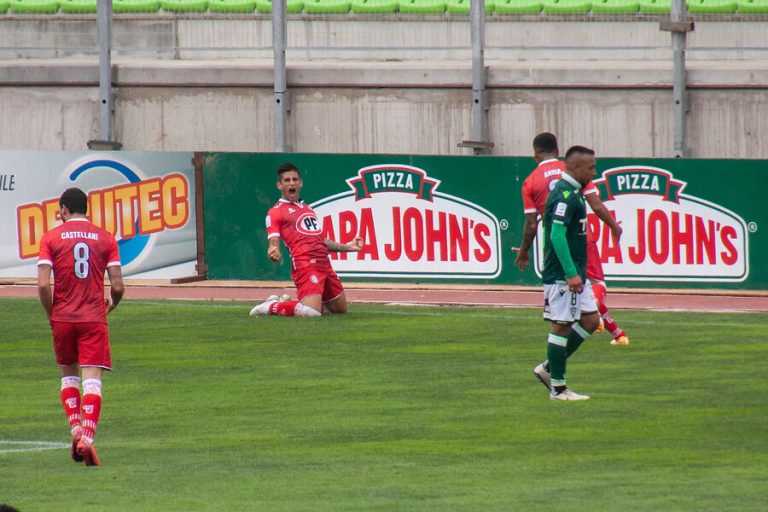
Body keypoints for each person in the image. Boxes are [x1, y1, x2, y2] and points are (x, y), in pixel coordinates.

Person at [512, 132, 629, 346]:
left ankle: (555, 366)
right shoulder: (574, 172)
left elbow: (531, 224)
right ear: (557, 151)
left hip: (556, 246)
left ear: (535, 154)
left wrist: (524, 249)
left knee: (562, 317)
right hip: (582, 238)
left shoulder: (530, 181)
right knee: (597, 283)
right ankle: (599, 316)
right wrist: (613, 226)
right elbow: (596, 205)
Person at [37, 187, 124, 466]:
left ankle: (75, 428)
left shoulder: (51, 237)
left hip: (62, 317)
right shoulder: (105, 238)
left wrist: (52, 313)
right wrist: (112, 302)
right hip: (92, 317)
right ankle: (87, 437)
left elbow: (41, 284)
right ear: (86, 209)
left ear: (63, 209)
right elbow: (119, 286)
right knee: (92, 380)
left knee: (68, 376)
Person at [249, 162, 363, 317]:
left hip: (324, 264)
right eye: (287, 180)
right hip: (305, 264)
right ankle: (271, 306)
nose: (292, 183)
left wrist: (348, 247)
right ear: (279, 185)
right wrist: (272, 249)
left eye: (295, 179)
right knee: (312, 313)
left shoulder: (307, 209)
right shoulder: (276, 212)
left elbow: (320, 240)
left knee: (340, 310)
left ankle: (296, 303)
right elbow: (273, 239)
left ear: (300, 183)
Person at [533, 146, 602, 400]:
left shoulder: (574, 192)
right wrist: (571, 273)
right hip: (563, 274)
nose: (594, 172)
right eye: (590, 167)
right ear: (574, 168)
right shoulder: (564, 195)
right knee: (561, 325)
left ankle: (549, 368)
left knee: (591, 321)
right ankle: (558, 389)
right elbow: (557, 236)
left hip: (576, 273)